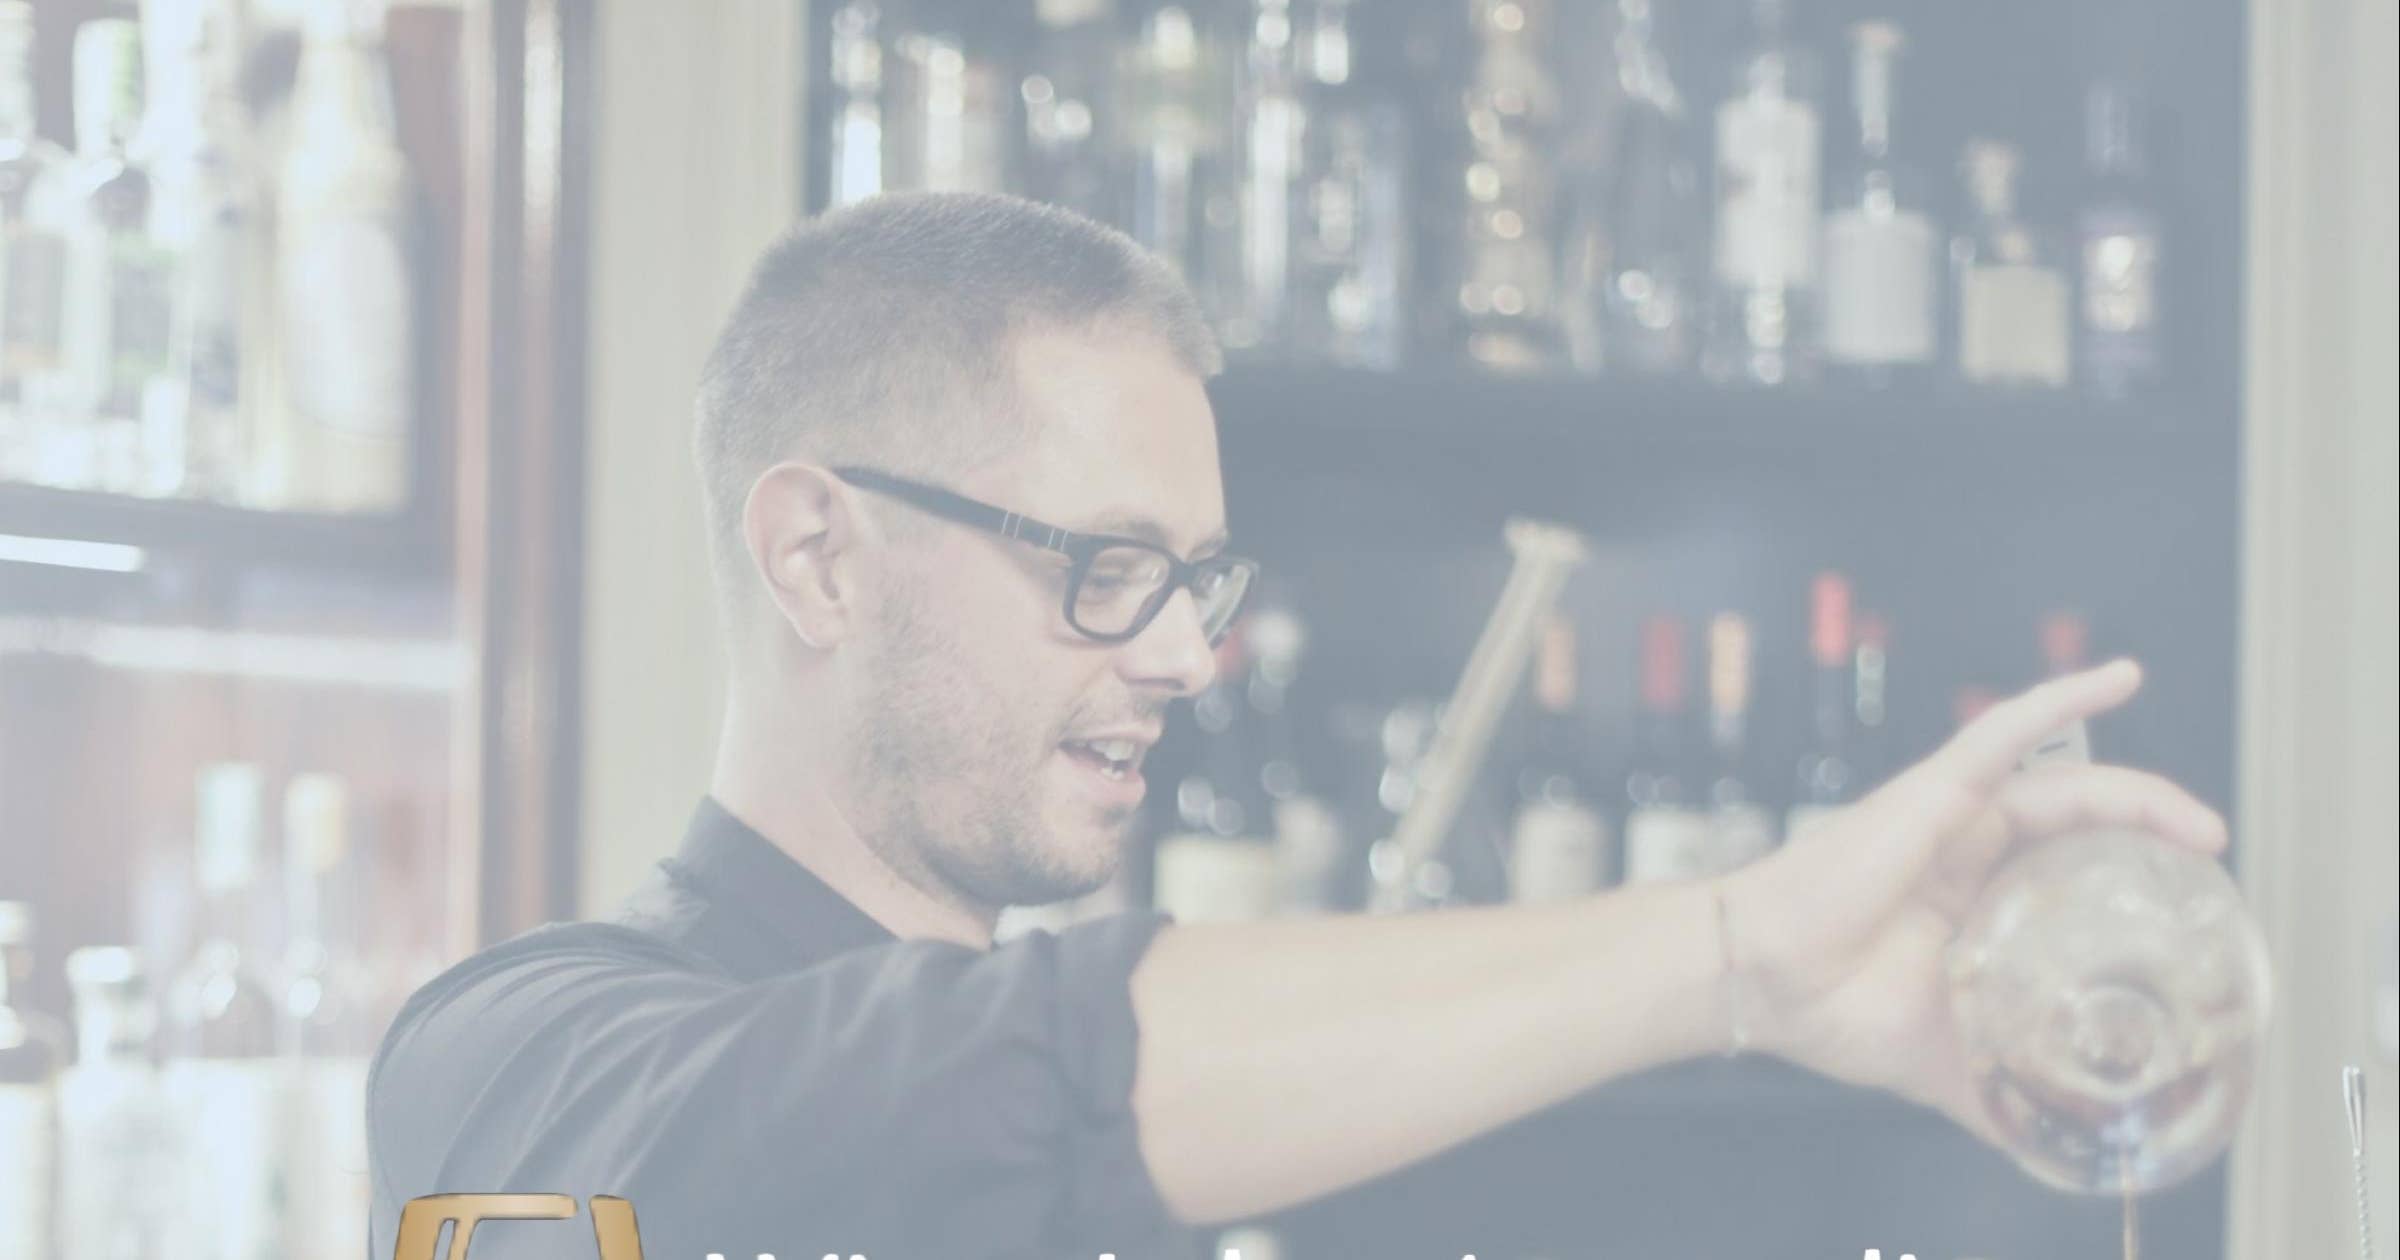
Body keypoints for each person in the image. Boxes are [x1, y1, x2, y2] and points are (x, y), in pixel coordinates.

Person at [364, 192, 2226, 1260]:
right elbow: (1009, 1079)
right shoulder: (513, 1070)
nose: (1189, 655)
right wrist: (1740, 951)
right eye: (1107, 567)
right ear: (819, 559)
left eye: (1198, 580)